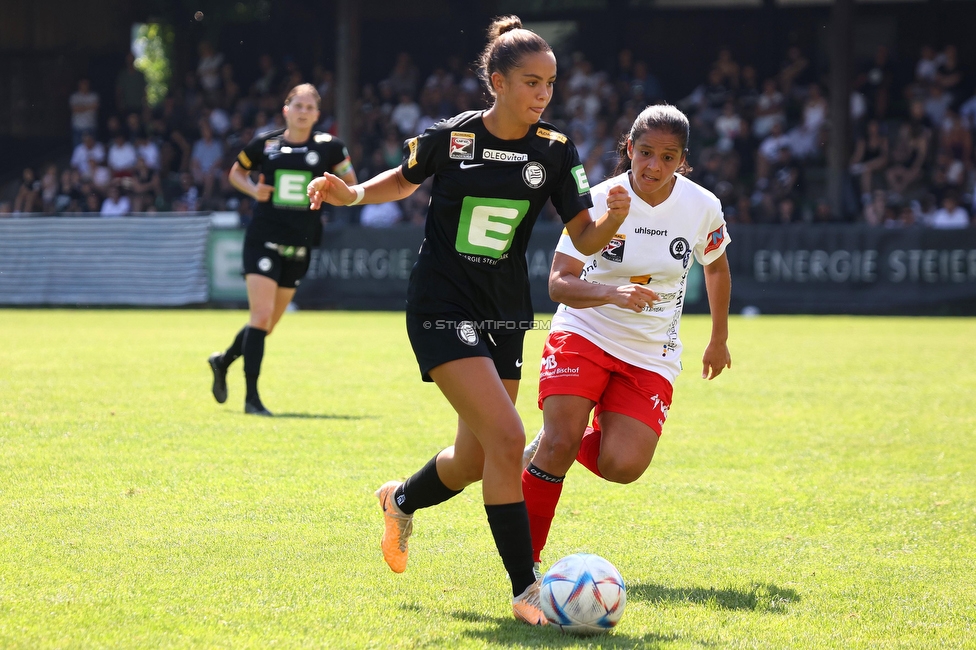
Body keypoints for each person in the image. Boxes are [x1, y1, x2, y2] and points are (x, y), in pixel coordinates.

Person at [306, 15, 630, 626]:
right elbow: (401, 183)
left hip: (504, 313)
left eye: (551, 85)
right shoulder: (451, 138)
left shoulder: (557, 152)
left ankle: (400, 499)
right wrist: (350, 194)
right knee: (510, 438)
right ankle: (525, 589)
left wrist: (611, 218)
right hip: (441, 306)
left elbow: (584, 236)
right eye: (531, 83)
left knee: (476, 458)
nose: (543, 95)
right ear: (497, 82)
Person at [520, 104, 732, 574]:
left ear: (683, 161)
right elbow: (559, 282)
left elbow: (715, 267)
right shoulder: (599, 199)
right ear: (629, 149)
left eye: (668, 157)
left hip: (651, 352)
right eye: (646, 152)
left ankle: (555, 443)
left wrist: (718, 338)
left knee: (623, 465)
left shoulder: (702, 206)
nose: (654, 166)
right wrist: (611, 293)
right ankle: (527, 569)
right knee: (560, 445)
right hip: (585, 330)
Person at [208, 83, 356, 416]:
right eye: (298, 105)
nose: (303, 112)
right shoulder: (266, 143)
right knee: (259, 317)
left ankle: (223, 360)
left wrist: (333, 190)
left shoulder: (331, 148)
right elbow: (236, 173)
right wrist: (251, 191)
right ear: (286, 109)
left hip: (301, 244)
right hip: (263, 239)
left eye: (310, 107)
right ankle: (252, 400)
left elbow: (350, 186)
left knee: (267, 325)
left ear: (317, 114)